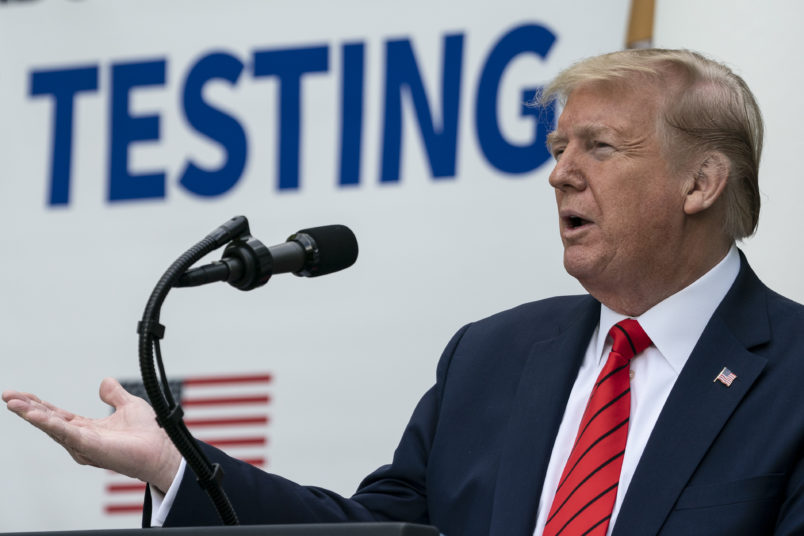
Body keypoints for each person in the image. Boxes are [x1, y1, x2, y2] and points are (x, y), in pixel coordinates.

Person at [4, 48, 804, 536]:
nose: (560, 171)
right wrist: (176, 465)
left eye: (599, 146)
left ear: (701, 182)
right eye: (559, 146)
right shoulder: (491, 357)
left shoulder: (793, 373)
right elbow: (376, 533)